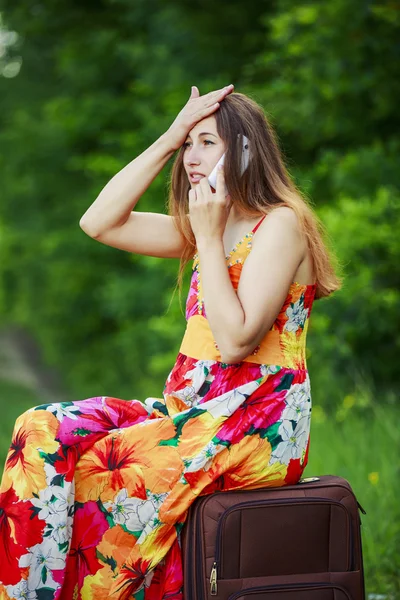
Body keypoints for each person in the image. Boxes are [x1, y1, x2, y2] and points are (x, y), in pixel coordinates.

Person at [0, 85, 341, 600]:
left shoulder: (282, 224)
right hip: (189, 411)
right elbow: (98, 222)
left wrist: (206, 236)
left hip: (256, 422)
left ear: (247, 150)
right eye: (189, 145)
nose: (192, 158)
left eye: (208, 142)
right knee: (39, 428)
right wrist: (168, 137)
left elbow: (235, 343)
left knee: (102, 473)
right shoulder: (209, 226)